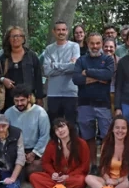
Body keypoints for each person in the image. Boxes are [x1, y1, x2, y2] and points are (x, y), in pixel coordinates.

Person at [73, 32, 114, 174]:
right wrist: (98, 77)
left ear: (102, 44)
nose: (95, 46)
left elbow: (108, 75)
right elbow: (76, 80)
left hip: (103, 104)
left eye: (98, 43)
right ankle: (92, 165)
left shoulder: (108, 59)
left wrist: (87, 72)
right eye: (92, 43)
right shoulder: (81, 60)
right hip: (84, 104)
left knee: (106, 137)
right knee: (88, 137)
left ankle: (104, 165)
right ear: (87, 43)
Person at [29, 119, 90, 188]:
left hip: (72, 178)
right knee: (34, 177)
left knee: (81, 180)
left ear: (68, 127)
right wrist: (53, 173)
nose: (60, 130)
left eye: (62, 126)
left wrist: (68, 176)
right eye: (56, 129)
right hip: (57, 179)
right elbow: (46, 162)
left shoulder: (81, 143)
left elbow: (84, 166)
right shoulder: (52, 144)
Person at [85, 116, 129, 188]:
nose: (120, 131)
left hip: (123, 181)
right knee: (88, 178)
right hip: (108, 181)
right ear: (112, 129)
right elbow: (103, 167)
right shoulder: (106, 145)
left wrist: (117, 181)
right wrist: (108, 179)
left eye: (123, 128)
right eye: (117, 127)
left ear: (127, 130)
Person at [0, 26, 44, 112]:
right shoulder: (3, 58)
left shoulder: (31, 56)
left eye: (18, 36)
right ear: (8, 39)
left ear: (23, 39)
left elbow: (38, 77)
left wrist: (39, 97)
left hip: (29, 99)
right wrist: (3, 79)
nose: (16, 38)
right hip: (9, 100)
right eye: (12, 36)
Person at [5, 85, 50, 177]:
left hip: (34, 150)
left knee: (34, 170)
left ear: (29, 98)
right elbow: (5, 135)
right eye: (16, 101)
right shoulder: (8, 113)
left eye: (22, 100)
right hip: (16, 150)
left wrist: (34, 153)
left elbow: (45, 136)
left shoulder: (40, 112)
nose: (19, 103)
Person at [43, 20, 80, 124]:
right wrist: (67, 65)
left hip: (71, 93)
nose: (61, 32)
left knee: (71, 124)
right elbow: (47, 70)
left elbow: (75, 67)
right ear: (54, 32)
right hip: (53, 94)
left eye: (63, 29)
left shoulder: (74, 46)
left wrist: (55, 65)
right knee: (54, 124)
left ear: (67, 31)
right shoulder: (49, 49)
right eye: (58, 30)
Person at [102, 37, 119, 114]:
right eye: (106, 46)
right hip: (102, 95)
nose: (108, 49)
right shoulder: (97, 61)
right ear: (102, 47)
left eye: (111, 47)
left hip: (117, 95)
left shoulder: (121, 61)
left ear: (115, 48)